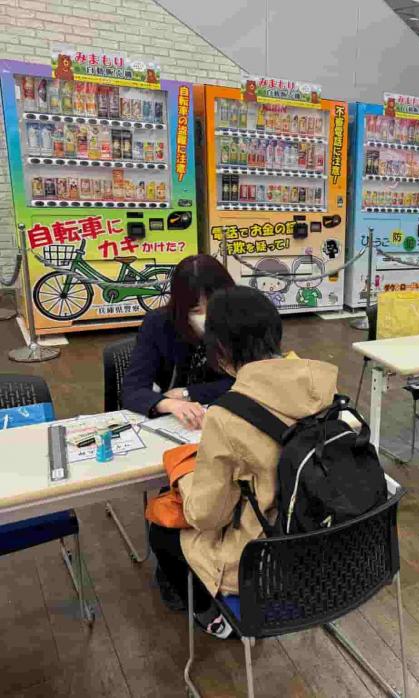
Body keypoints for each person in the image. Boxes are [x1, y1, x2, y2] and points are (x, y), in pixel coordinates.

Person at [148, 286, 338, 638]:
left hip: (264, 561)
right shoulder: (325, 388)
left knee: (162, 526)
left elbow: (206, 515)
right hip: (328, 546)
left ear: (219, 350)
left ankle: (214, 617)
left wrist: (184, 476)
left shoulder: (227, 417)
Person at [122, 255, 235, 430]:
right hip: (175, 423)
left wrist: (187, 393)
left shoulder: (241, 319)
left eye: (213, 306)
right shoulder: (159, 323)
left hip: (228, 415)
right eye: (196, 310)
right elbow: (132, 390)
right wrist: (169, 404)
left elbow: (254, 379)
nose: (206, 316)